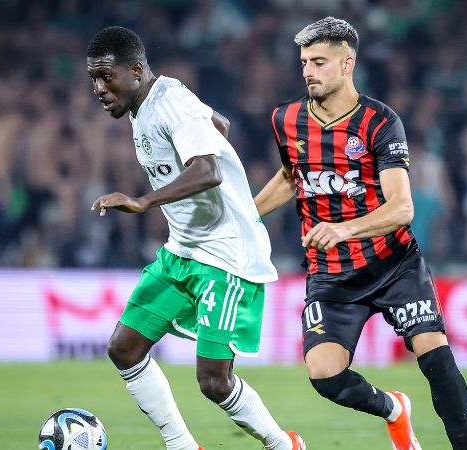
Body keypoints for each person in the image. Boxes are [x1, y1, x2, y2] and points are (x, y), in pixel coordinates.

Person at [254, 17, 467, 450]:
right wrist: (246, 217)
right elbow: (289, 176)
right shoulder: (286, 118)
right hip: (331, 274)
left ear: (347, 63)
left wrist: (343, 229)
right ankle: (393, 409)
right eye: (304, 62)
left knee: (435, 357)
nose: (308, 71)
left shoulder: (380, 122)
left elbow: (402, 207)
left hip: (393, 264)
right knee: (324, 375)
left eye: (319, 62)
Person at [86, 26, 305, 450]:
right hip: (183, 250)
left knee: (214, 381)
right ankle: (182, 446)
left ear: (136, 70)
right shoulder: (148, 103)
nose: (98, 88)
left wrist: (143, 202)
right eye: (93, 79)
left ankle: (284, 445)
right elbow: (219, 124)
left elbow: (208, 170)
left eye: (106, 77)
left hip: (226, 257)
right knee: (124, 348)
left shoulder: (171, 102)